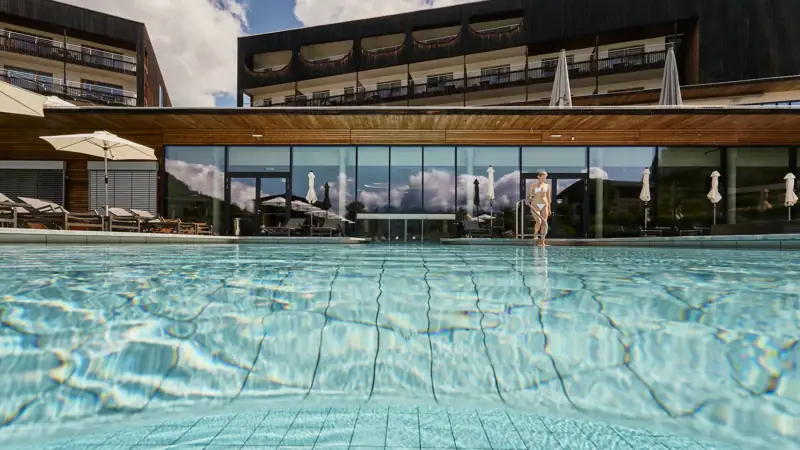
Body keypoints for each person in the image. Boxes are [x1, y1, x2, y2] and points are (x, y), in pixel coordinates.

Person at [526, 170, 551, 246]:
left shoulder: (547, 186)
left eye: (545, 178)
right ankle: (535, 233)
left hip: (545, 204)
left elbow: (548, 197)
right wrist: (528, 199)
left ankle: (542, 241)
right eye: (542, 178)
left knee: (544, 223)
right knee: (539, 221)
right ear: (538, 177)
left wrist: (549, 208)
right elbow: (529, 196)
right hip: (535, 204)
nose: (544, 179)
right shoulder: (533, 185)